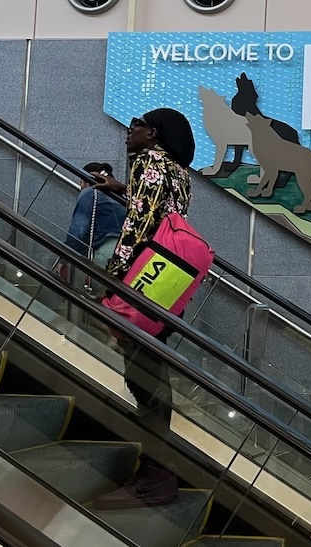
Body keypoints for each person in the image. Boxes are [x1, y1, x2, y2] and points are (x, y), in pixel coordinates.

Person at [91, 108, 195, 510]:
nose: (128, 132)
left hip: (143, 281)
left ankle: (157, 477)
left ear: (153, 133)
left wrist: (114, 279)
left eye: (135, 126)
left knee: (144, 380)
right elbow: (159, 213)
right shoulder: (179, 170)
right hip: (170, 280)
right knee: (152, 375)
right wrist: (121, 186)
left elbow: (140, 225)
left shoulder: (150, 161)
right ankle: (156, 471)